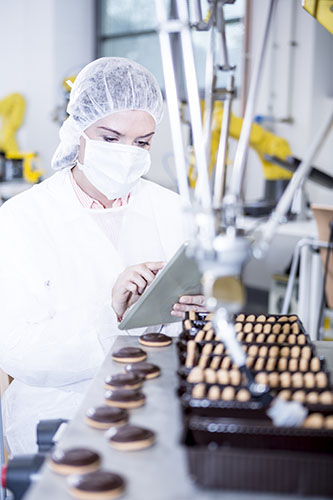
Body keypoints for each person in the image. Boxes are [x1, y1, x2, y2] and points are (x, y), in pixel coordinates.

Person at [0, 57, 205, 455]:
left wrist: (198, 309)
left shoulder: (174, 210)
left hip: (160, 402)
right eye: (111, 138)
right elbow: (17, 351)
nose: (127, 153)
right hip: (59, 415)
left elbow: (194, 330)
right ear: (78, 129)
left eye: (142, 142)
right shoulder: (20, 220)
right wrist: (109, 314)